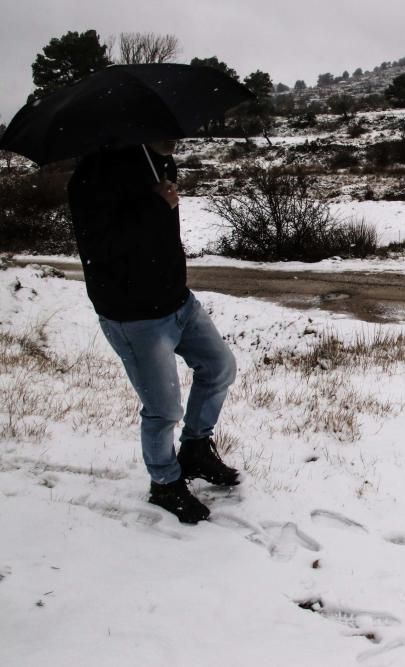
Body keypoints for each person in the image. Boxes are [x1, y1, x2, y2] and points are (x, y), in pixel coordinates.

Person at [67, 140, 239, 524]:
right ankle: (164, 483)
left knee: (219, 367)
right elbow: (100, 246)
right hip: (134, 316)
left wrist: (160, 202)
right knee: (163, 410)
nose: (175, 135)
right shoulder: (92, 176)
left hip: (178, 300)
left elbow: (158, 233)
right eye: (165, 127)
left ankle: (195, 448)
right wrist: (154, 205)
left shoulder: (158, 160)